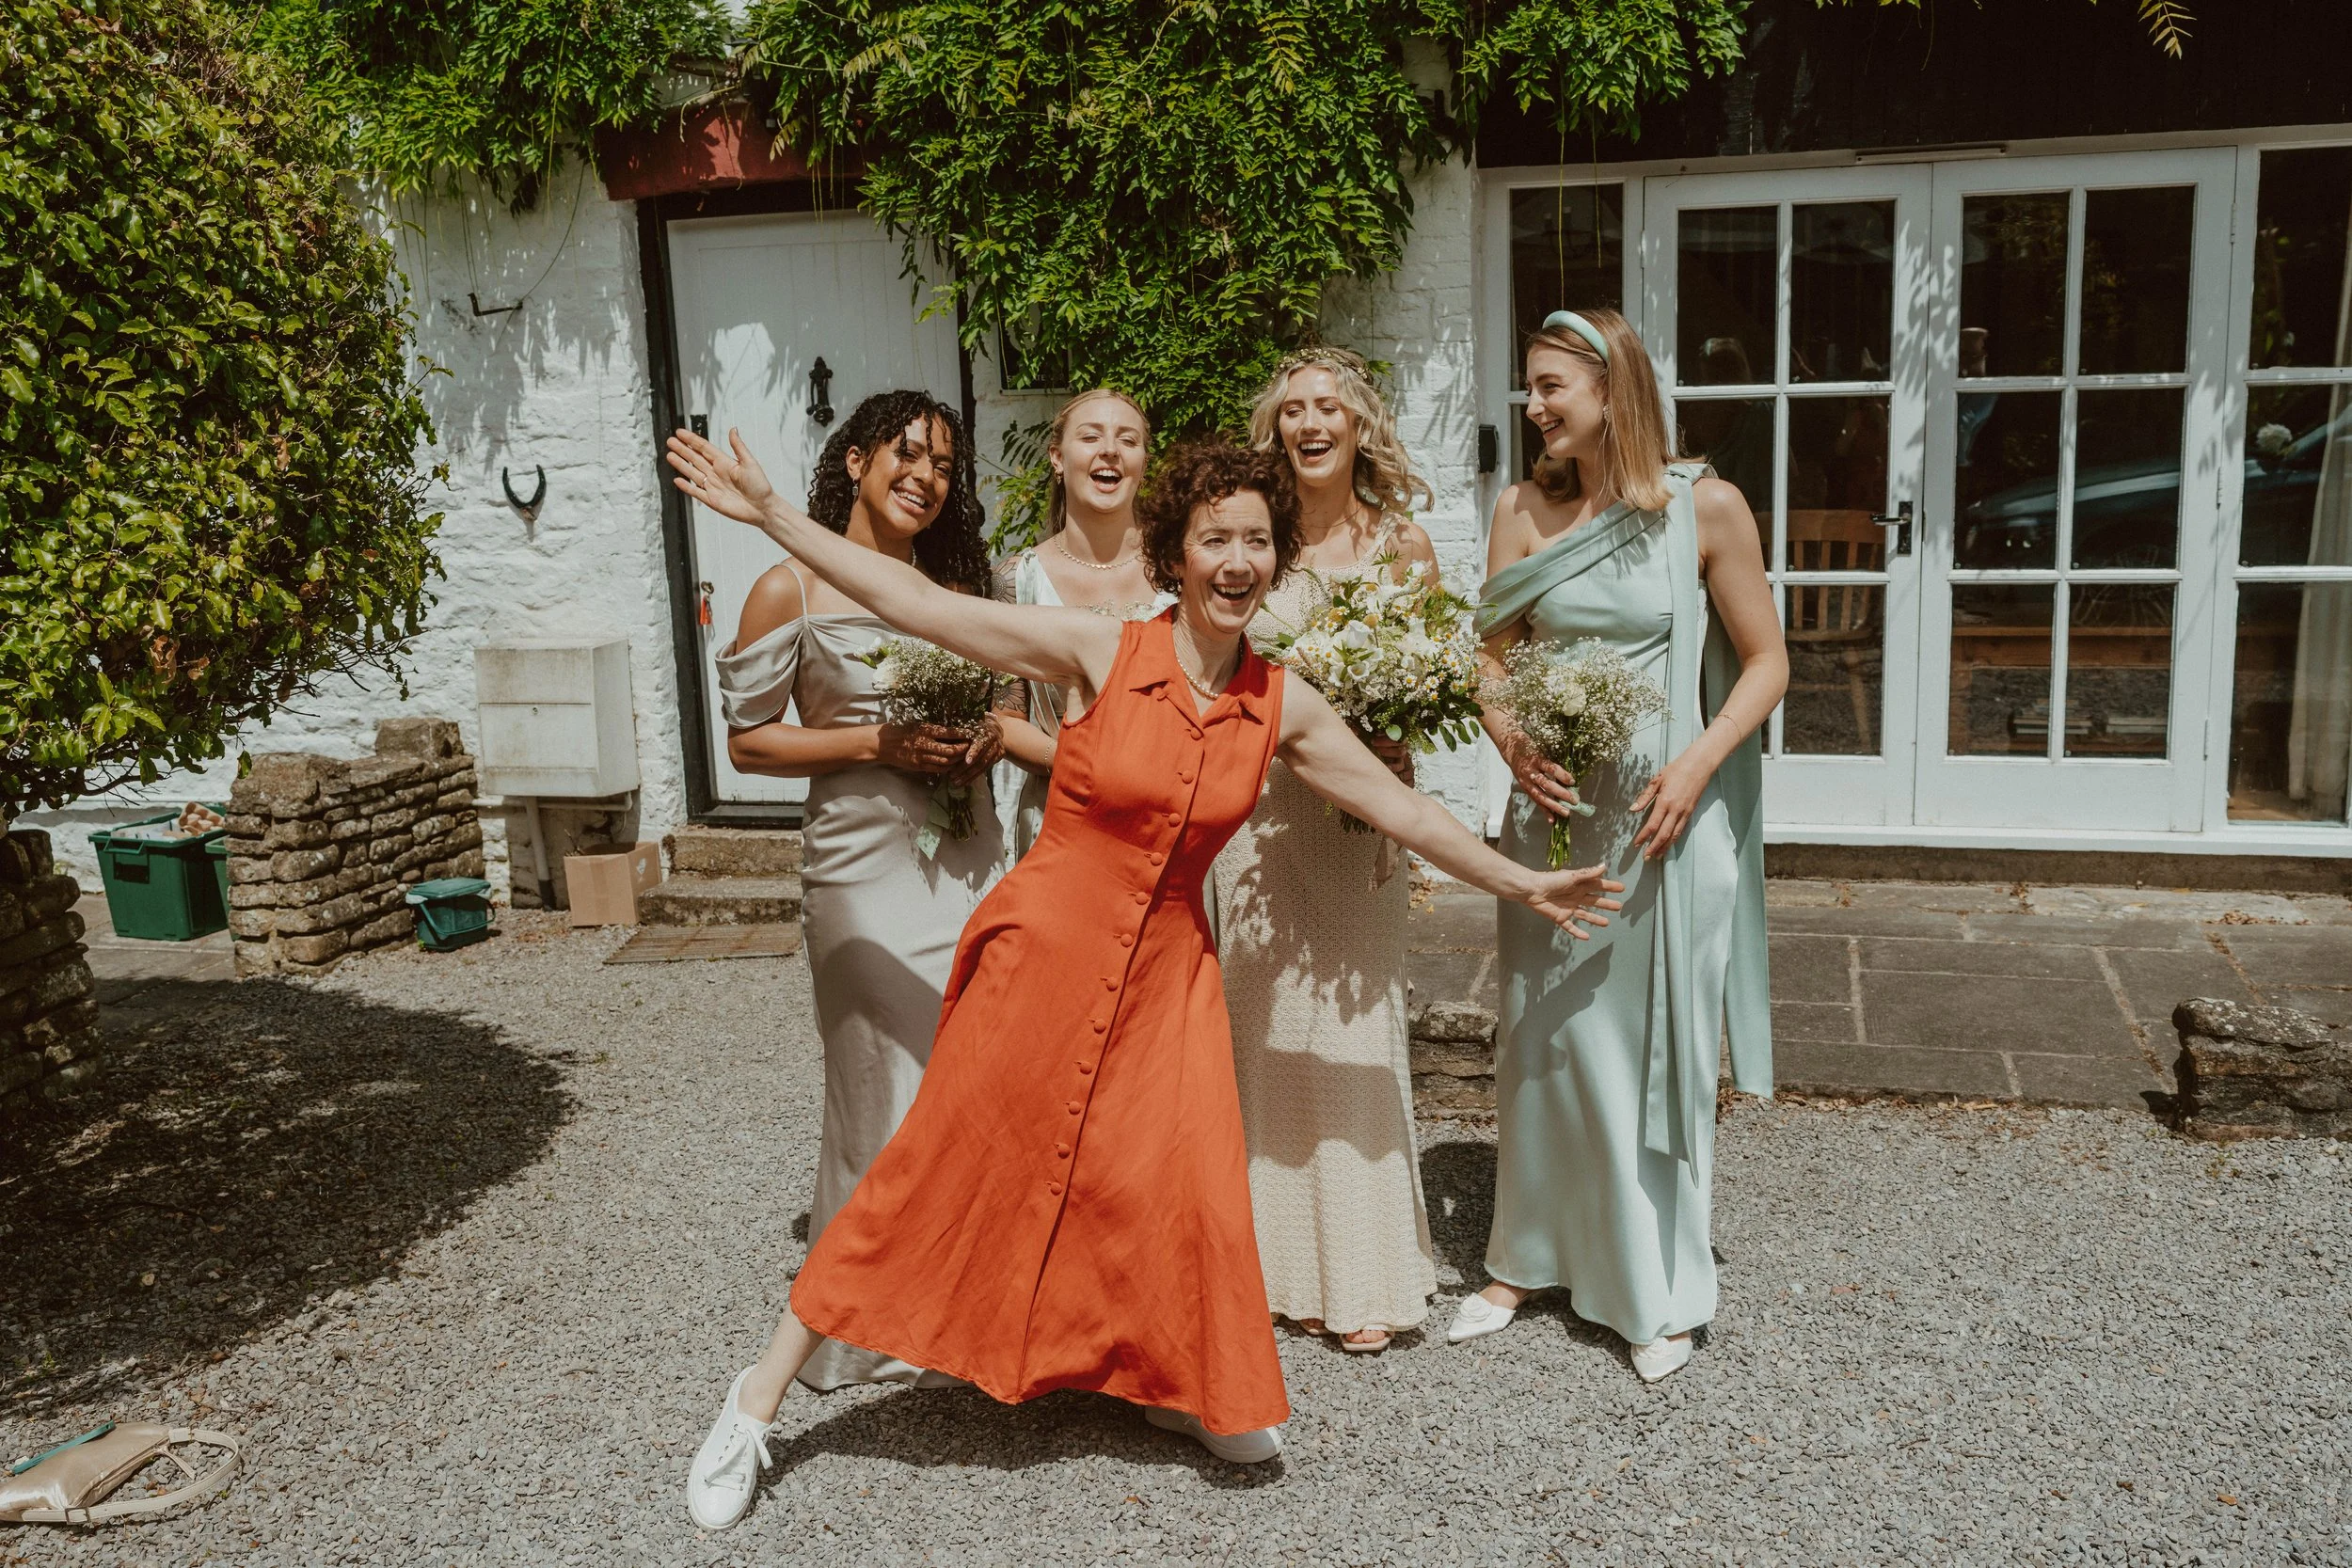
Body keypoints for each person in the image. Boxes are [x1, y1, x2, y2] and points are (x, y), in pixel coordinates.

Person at [664, 428, 1622, 1528]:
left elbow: (1399, 806)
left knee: (1177, 1186)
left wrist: (1519, 881)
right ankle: (754, 1402)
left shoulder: (1282, 701)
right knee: (926, 1166)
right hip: (1043, 949)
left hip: (1170, 971)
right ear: (1175, 552)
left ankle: (1181, 1379)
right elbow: (924, 607)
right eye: (1215, 536)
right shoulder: (1099, 651)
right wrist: (776, 516)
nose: (1236, 558)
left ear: (1275, 561)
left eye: (1257, 540)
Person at [1461, 307, 1785, 1384]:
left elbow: (1767, 662)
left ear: (1614, 388)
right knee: (1542, 1035)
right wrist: (1510, 744)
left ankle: (1648, 1282)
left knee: (1649, 1049)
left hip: (1661, 812)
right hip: (1551, 807)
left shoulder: (1706, 506)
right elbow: (1489, 658)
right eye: (1529, 386)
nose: (1535, 405)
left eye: (1552, 385)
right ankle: (1523, 1257)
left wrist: (1695, 762)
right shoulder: (1518, 510)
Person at [707, 390, 1004, 1393]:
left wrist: (976, 741)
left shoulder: (953, 588)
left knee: (966, 1077)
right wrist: (874, 740)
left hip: (963, 854)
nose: (925, 476)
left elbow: (1006, 698)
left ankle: (953, 1307)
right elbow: (749, 743)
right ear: (857, 460)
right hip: (861, 865)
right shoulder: (787, 586)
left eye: (944, 466)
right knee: (882, 1081)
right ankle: (851, 1326)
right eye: (906, 455)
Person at [1213, 348, 1441, 1354]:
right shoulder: (1249, 540)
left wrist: (1398, 747)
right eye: (1292, 409)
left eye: (1329, 408)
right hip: (1257, 818)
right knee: (1258, 1033)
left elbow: (1430, 680)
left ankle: (1364, 1270)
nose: (1310, 422)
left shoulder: (1403, 547)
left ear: (1360, 428)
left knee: (1354, 1027)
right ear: (1275, 430)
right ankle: (1273, 1270)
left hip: (1356, 822)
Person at [991, 388, 1171, 860]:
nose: (1109, 450)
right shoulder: (1017, 579)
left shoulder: (1181, 574)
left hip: (1165, 824)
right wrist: (1079, 767)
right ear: (1057, 457)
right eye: (1091, 437)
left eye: (1127, 440)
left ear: (1143, 463)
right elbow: (1006, 717)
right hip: (1057, 824)